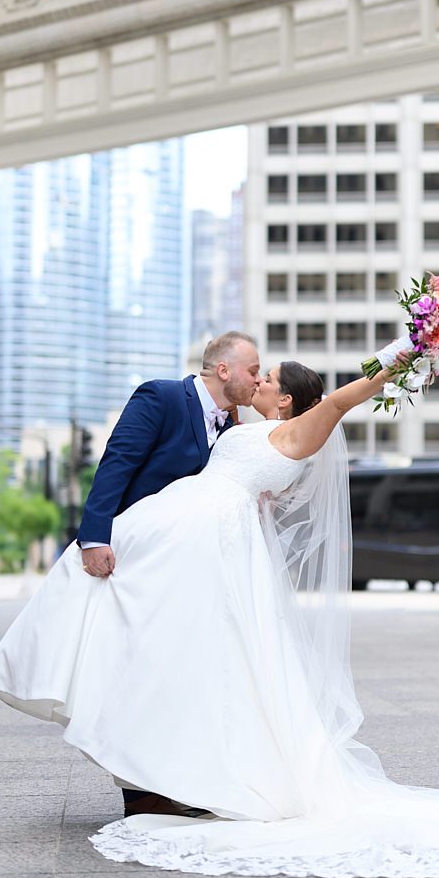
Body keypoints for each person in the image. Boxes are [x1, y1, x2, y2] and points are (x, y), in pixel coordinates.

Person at [0, 355, 439, 878]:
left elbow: (351, 395)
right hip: (192, 531)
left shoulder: (303, 425)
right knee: (166, 637)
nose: (260, 379)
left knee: (201, 648)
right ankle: (146, 753)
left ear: (289, 398)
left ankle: (182, 771)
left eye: (269, 378)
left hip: (212, 538)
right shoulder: (249, 429)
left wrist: (407, 356)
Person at [75, 330, 261, 816]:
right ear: (224, 369)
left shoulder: (231, 425)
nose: (257, 379)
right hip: (136, 560)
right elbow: (117, 461)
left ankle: (174, 781)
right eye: (252, 370)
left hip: (187, 570)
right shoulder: (161, 396)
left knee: (180, 674)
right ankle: (140, 793)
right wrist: (94, 537)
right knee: (141, 671)